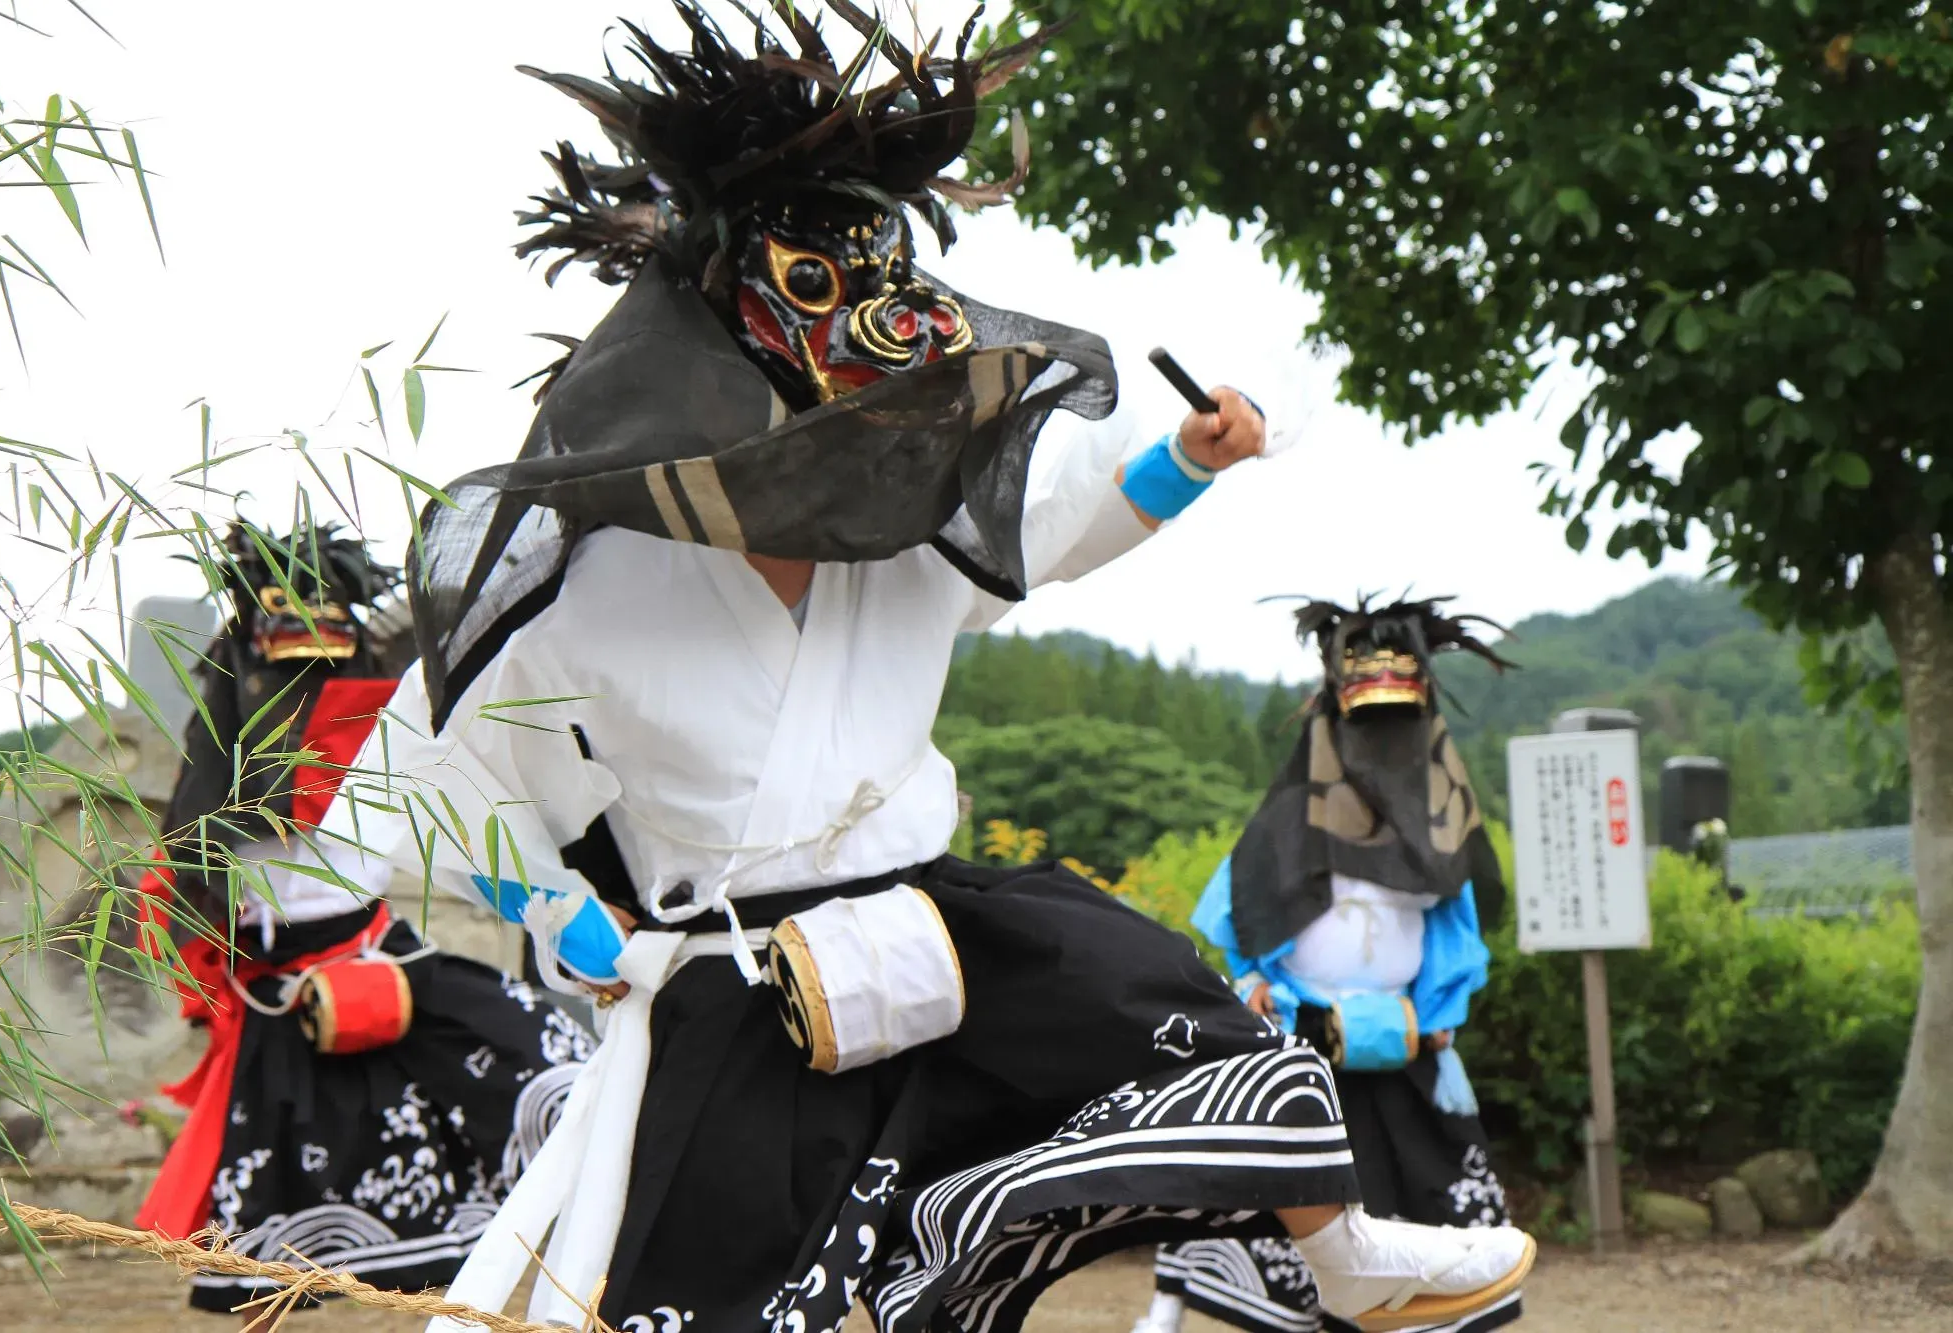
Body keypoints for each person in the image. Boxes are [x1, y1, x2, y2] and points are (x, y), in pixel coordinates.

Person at [317, 7, 1537, 1332]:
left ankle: (1347, 1250)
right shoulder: (590, 570)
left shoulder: (904, 530)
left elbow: (1057, 517)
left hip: (938, 929)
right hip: (736, 978)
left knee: (1150, 992)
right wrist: (556, 914)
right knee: (701, 1295)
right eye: (816, 288)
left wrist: (1187, 458)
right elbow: (439, 782)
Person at [133, 521, 592, 1323]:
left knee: (555, 1075)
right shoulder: (225, 759)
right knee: (264, 1226)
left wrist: (562, 914)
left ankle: (521, 1298)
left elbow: (465, 831)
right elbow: (190, 884)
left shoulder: (388, 723)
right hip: (282, 997)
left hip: (387, 964)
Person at [1139, 597, 1522, 1333]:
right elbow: (1241, 916)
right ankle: (1176, 1292)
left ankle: (1433, 1304)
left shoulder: (1435, 827)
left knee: (1427, 1177)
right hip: (1296, 1033)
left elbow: (1455, 935)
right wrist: (1253, 985)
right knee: (1257, 1165)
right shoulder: (1291, 821)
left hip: (1403, 1040)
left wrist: (1440, 1015)